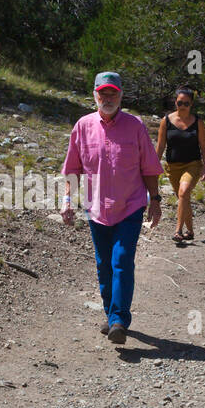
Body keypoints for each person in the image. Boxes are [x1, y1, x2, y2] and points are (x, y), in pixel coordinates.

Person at [60, 71, 162, 345]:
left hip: (130, 206)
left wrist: (156, 199)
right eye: (102, 93)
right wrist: (67, 200)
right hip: (96, 208)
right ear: (94, 95)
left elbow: (149, 167)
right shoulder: (82, 126)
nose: (107, 98)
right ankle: (110, 314)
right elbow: (72, 169)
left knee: (121, 260)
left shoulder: (136, 126)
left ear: (121, 96)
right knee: (104, 264)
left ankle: (118, 320)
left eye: (112, 93)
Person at [155, 86, 205, 241]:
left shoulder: (198, 122)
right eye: (180, 103)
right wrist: (152, 166)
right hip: (172, 167)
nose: (183, 106)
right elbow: (160, 146)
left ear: (191, 104)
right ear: (175, 103)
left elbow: (204, 147)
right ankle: (190, 231)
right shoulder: (166, 121)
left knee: (183, 192)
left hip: (192, 164)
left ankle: (178, 231)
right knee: (183, 198)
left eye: (186, 103)